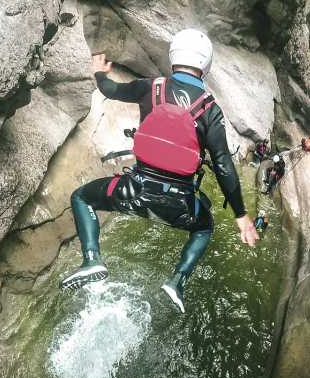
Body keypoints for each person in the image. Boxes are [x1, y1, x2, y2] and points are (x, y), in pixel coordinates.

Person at [59, 29, 259, 313]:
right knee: (204, 227)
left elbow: (110, 90)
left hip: (133, 192)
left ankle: (92, 259)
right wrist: (241, 216)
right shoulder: (210, 110)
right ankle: (176, 281)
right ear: (206, 64)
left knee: (81, 196)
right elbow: (224, 165)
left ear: (174, 56)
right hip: (180, 206)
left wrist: (99, 73)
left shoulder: (150, 87)